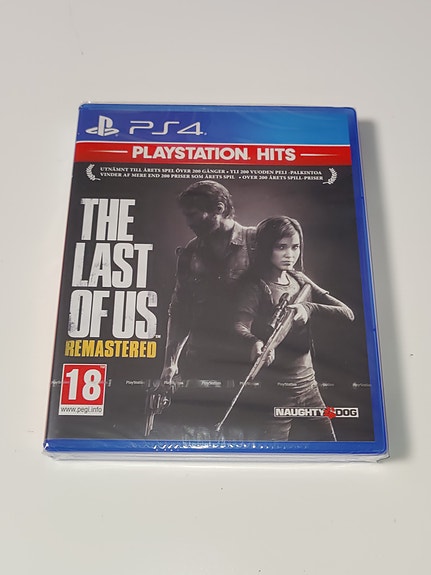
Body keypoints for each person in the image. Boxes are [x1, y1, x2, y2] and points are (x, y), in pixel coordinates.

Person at [232, 215, 354, 441]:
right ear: (266, 248)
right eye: (281, 247)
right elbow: (239, 325)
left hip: (309, 385)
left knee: (331, 446)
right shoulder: (254, 285)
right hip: (275, 392)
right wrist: (254, 342)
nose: (290, 254)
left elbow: (347, 313)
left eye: (295, 247)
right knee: (273, 454)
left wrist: (308, 308)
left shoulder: (299, 279)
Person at [153, 181, 255, 439]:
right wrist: (170, 365)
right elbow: (180, 310)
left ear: (219, 209)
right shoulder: (190, 252)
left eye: (193, 215)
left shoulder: (257, 242)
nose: (188, 223)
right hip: (201, 362)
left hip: (252, 363)